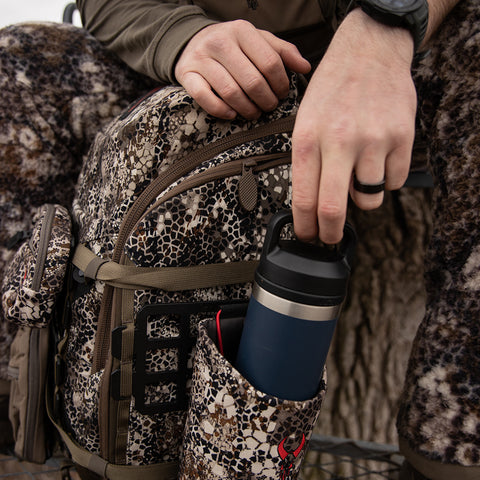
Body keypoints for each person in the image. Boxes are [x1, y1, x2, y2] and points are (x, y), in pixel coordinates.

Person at [0, 0, 478, 478]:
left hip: (402, 70)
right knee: (19, 62)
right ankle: (24, 410)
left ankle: (450, 447)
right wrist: (181, 36)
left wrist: (384, 29)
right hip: (200, 77)